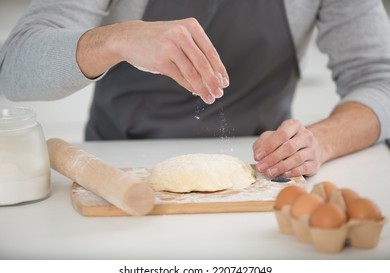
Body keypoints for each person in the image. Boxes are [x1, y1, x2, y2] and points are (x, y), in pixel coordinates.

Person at [0, 0, 389, 179]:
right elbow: (14, 69)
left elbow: (380, 78)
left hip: (262, 173)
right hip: (118, 174)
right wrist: (115, 39)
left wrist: (318, 143)